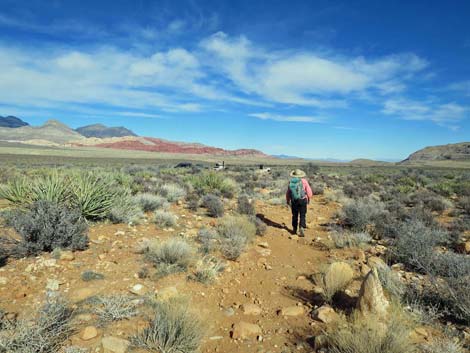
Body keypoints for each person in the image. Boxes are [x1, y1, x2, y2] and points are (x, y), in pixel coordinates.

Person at [286, 169, 313, 237]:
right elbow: (309, 191)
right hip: (303, 200)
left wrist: (288, 200)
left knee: (294, 215)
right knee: (302, 215)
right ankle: (301, 227)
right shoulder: (304, 181)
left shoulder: (291, 182)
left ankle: (294, 228)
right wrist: (309, 198)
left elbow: (288, 192)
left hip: (294, 201)